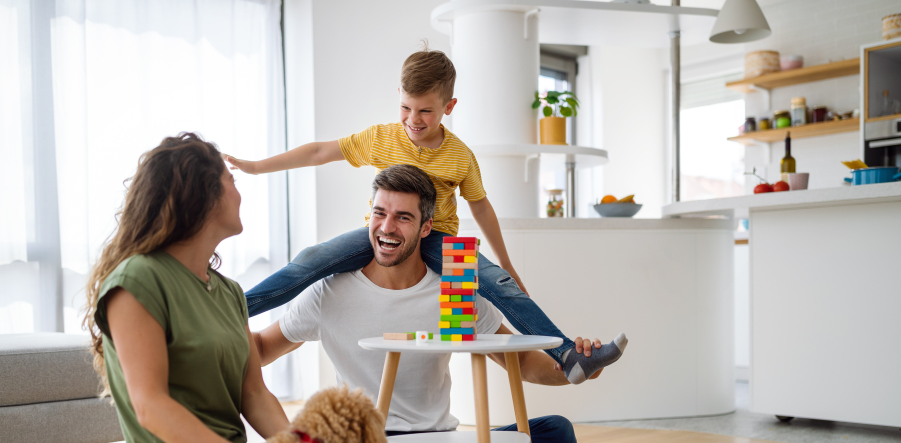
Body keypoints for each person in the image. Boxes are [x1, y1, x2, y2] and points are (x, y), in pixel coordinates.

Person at [82, 133, 416, 443]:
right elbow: (151, 407)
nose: (240, 195)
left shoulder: (227, 292)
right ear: (202, 196)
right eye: (231, 182)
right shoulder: (137, 280)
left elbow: (254, 393)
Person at [226, 46, 626, 386]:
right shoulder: (382, 138)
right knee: (312, 260)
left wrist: (504, 263)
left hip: (439, 238)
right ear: (397, 97)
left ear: (448, 107)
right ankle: (230, 306)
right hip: (379, 233)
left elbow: (480, 205)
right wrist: (258, 167)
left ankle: (568, 355)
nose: (413, 120)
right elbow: (318, 152)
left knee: (500, 288)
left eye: (426, 111)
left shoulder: (460, 155)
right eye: (405, 107)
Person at [253, 164, 623, 443]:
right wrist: (211, 334)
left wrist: (578, 371)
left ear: (426, 226)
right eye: (379, 213)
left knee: (556, 433)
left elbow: (522, 362)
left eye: (403, 217)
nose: (386, 227)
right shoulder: (330, 291)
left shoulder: (453, 290)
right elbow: (262, 349)